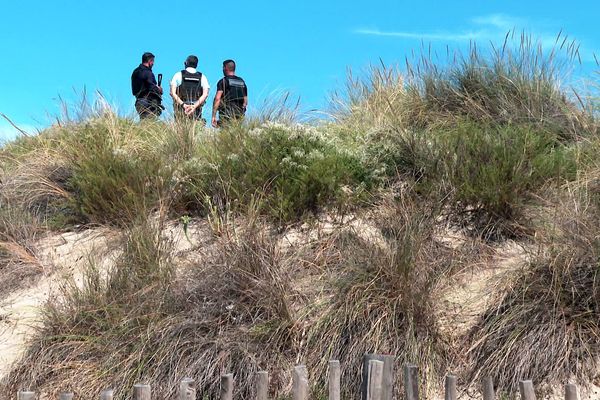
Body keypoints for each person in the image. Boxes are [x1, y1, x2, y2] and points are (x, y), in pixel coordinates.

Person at [170, 55, 210, 121]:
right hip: (196, 110)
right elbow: (205, 94)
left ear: (185, 63)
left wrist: (183, 105)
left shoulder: (178, 75)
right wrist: (194, 106)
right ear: (196, 65)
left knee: (179, 129)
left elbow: (172, 93)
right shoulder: (203, 77)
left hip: (181, 109)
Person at [212, 59, 248, 127]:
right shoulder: (241, 82)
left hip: (226, 114)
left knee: (225, 134)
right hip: (239, 114)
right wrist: (242, 112)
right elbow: (245, 102)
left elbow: (217, 98)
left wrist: (213, 116)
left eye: (223, 67)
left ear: (225, 68)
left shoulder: (223, 81)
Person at [131, 52, 164, 119]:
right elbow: (152, 87)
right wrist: (159, 89)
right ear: (149, 61)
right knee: (150, 123)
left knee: (143, 122)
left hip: (138, 102)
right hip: (149, 103)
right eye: (153, 61)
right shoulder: (148, 73)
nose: (153, 64)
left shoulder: (135, 72)